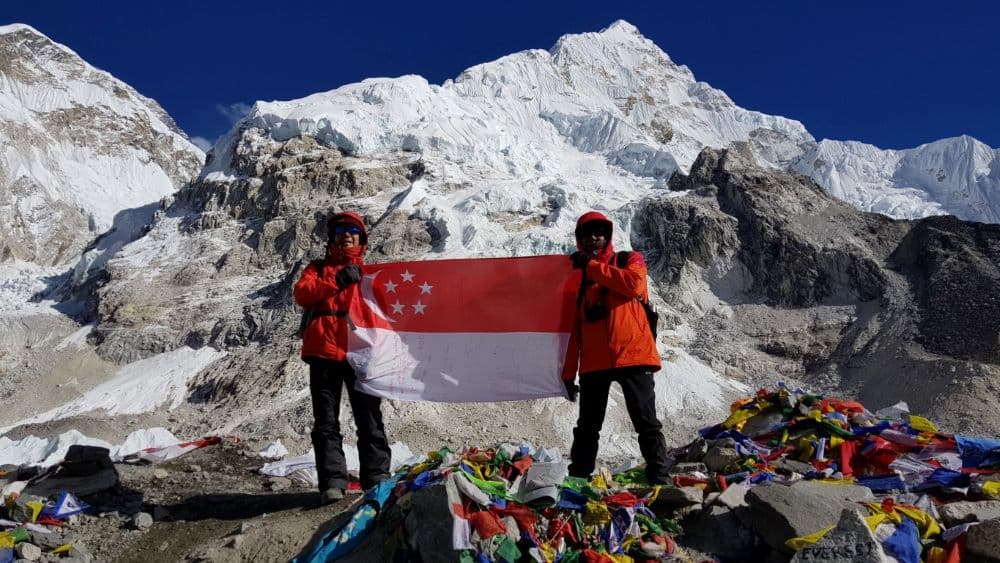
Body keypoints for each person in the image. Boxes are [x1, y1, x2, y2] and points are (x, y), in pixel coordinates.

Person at [562, 211, 671, 485]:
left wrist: (591, 267)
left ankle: (660, 478)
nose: (593, 239)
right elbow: (573, 330)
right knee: (587, 427)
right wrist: (567, 374)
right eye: (586, 235)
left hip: (633, 355)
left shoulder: (628, 259)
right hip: (594, 362)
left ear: (608, 236)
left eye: (599, 233)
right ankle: (578, 480)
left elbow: (634, 284)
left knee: (646, 422)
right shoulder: (576, 277)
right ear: (579, 241)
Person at [294, 211, 391, 504]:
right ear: (332, 238)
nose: (346, 235)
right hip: (324, 352)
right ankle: (332, 481)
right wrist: (337, 279)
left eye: (352, 230)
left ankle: (376, 478)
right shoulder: (318, 268)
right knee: (326, 421)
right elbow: (303, 293)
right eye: (340, 230)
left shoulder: (371, 273)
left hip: (360, 352)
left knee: (370, 417)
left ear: (361, 238)